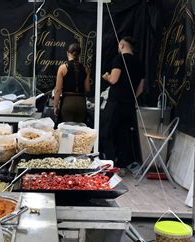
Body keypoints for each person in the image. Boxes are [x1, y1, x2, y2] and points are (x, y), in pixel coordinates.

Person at [100, 36, 145, 168]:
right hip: (129, 105)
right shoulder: (139, 62)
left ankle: (110, 162)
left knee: (106, 132)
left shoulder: (119, 59)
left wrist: (107, 76)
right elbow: (141, 88)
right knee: (124, 134)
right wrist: (131, 97)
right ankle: (123, 164)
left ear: (122, 45)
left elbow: (114, 80)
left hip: (116, 103)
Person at [53, 43, 91, 124]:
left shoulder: (63, 68)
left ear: (67, 53)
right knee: (80, 132)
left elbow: (58, 90)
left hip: (67, 103)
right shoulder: (86, 68)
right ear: (79, 54)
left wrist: (55, 106)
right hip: (81, 103)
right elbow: (87, 89)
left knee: (66, 131)